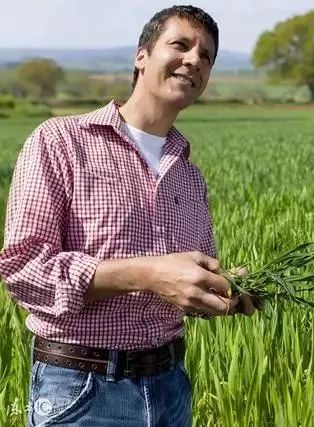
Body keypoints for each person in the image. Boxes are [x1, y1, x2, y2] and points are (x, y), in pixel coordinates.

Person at [0, 5, 258, 426]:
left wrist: (225, 289)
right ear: (141, 56)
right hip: (82, 390)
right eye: (180, 45)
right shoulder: (61, 141)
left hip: (171, 388)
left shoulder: (188, 175)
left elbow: (180, 287)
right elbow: (24, 270)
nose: (195, 59)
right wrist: (146, 274)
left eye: (207, 56)